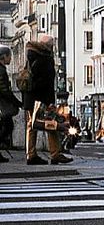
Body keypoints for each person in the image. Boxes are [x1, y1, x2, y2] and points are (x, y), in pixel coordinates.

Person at [22, 35, 71, 166]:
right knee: (50, 123)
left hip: (29, 97)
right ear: (49, 46)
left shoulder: (31, 55)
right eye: (52, 45)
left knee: (31, 126)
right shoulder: (44, 58)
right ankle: (55, 154)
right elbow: (45, 82)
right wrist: (49, 101)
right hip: (41, 99)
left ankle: (31, 154)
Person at [0, 44, 21, 162]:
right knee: (7, 127)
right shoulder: (1, 71)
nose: (10, 59)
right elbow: (4, 90)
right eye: (9, 56)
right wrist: (17, 103)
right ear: (4, 57)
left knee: (6, 127)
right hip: (3, 105)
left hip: (3, 104)